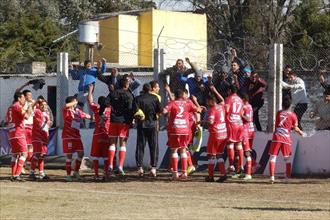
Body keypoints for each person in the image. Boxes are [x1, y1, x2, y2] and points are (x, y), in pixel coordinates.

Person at [163, 89, 201, 180]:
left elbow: (164, 111)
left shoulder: (172, 103)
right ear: (182, 94)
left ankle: (175, 173)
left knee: (174, 150)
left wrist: (167, 112)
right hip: (185, 130)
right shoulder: (188, 103)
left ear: (175, 95)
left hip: (175, 129)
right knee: (183, 150)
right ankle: (184, 173)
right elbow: (198, 110)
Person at [268, 97, 304, 183]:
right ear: (290, 105)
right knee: (287, 158)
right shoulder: (293, 115)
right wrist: (301, 133)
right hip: (285, 138)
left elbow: (278, 124)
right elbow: (295, 127)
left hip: (277, 137)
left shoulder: (278, 113)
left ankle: (272, 177)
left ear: (282, 105)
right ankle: (287, 177)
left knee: (273, 157)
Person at [107, 79, 134, 176]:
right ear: (126, 85)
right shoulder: (129, 95)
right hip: (124, 122)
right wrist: (130, 122)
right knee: (122, 144)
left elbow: (106, 103)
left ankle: (110, 165)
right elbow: (131, 109)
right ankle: (120, 167)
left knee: (112, 144)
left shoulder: (113, 93)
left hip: (113, 120)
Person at [134, 83, 162, 177]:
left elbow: (135, 111)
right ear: (150, 89)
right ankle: (153, 168)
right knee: (153, 146)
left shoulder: (138, 98)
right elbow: (160, 111)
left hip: (141, 125)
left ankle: (139, 168)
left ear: (143, 89)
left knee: (140, 146)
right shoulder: (155, 98)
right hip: (152, 124)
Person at [62, 96, 91, 182]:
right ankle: (68, 175)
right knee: (69, 156)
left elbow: (86, 115)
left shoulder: (77, 111)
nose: (76, 103)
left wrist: (89, 116)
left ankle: (76, 171)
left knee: (81, 154)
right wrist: (74, 102)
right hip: (68, 136)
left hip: (77, 136)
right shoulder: (66, 110)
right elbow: (66, 105)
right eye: (74, 101)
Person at [87, 84, 111, 180]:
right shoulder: (110, 110)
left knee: (96, 156)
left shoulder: (97, 108)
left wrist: (90, 90)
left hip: (97, 134)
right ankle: (106, 173)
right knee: (106, 156)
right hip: (107, 134)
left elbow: (90, 101)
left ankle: (96, 174)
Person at [7, 92, 32, 181]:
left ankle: (13, 174)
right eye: (23, 98)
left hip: (12, 133)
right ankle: (17, 175)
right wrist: (30, 108)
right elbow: (26, 116)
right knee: (24, 153)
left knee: (15, 154)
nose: (24, 99)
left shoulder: (10, 107)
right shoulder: (17, 106)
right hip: (18, 133)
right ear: (19, 98)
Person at [202, 95, 228, 183]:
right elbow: (223, 101)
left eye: (208, 101)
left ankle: (210, 176)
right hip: (223, 133)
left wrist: (201, 122)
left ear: (212, 101)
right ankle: (223, 174)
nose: (207, 103)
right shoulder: (221, 107)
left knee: (211, 155)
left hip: (215, 134)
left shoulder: (213, 109)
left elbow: (211, 122)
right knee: (219, 154)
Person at [225, 85, 244, 177]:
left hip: (231, 123)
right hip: (239, 123)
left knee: (230, 144)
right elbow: (241, 113)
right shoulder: (240, 99)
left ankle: (231, 165)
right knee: (239, 145)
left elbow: (227, 110)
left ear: (229, 90)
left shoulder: (229, 99)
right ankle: (241, 165)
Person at [29, 99, 51, 180]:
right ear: (39, 105)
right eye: (42, 104)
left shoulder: (47, 114)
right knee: (37, 154)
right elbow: (31, 107)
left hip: (44, 136)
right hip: (37, 136)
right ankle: (31, 172)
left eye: (45, 105)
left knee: (42, 155)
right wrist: (36, 102)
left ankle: (41, 173)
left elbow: (47, 126)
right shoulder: (37, 111)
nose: (44, 106)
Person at [241, 93, 255, 180]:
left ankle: (248, 173)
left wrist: (241, 115)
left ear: (244, 99)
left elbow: (248, 119)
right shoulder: (249, 106)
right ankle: (245, 170)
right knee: (245, 150)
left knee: (246, 151)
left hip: (246, 131)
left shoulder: (245, 107)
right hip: (251, 130)